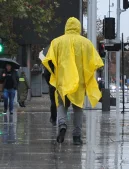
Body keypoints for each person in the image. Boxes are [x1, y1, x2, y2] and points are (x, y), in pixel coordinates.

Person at [42, 17, 104, 145]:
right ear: (78, 27)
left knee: (61, 105)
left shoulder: (57, 42)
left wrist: (53, 75)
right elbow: (97, 62)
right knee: (78, 109)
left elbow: (48, 60)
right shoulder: (86, 43)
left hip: (63, 81)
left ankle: (62, 125)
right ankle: (77, 136)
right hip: (79, 84)